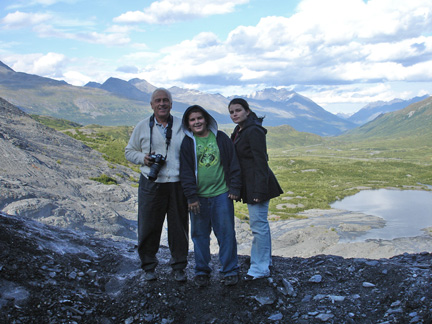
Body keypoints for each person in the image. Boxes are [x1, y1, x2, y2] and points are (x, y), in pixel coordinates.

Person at [125, 88, 189, 282]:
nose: (162, 104)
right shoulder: (142, 126)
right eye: (158, 101)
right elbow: (129, 151)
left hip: (177, 183)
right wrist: (143, 159)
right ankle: (148, 266)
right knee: (148, 225)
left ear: (171, 104)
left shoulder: (181, 125)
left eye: (165, 100)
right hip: (151, 183)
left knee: (179, 227)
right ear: (151, 105)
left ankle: (179, 266)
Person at [180, 105, 241, 287]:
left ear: (206, 119)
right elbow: (186, 172)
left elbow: (233, 163)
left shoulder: (220, 138)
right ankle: (201, 271)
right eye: (192, 120)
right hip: (198, 198)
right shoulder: (187, 143)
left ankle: (229, 270)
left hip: (221, 194)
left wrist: (235, 188)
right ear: (188, 124)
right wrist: (191, 197)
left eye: (199, 118)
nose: (197, 122)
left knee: (226, 233)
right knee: (199, 235)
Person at [228, 98, 283, 280]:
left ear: (247, 111)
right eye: (232, 112)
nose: (234, 114)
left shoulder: (254, 131)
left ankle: (260, 268)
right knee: (259, 225)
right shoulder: (239, 131)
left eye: (238, 110)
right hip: (251, 184)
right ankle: (264, 260)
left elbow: (261, 162)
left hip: (258, 185)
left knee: (258, 225)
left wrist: (259, 191)